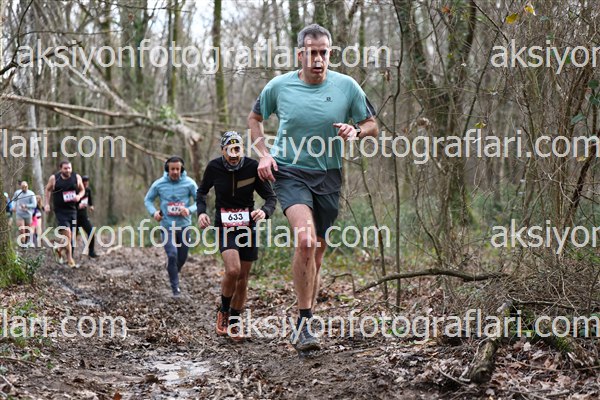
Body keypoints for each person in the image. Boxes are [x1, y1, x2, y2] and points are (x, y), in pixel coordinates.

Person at [247, 24, 379, 351]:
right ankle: (304, 323)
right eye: (311, 52)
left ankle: (307, 314)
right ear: (300, 54)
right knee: (305, 241)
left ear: (330, 54)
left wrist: (356, 132)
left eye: (323, 53)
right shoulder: (279, 86)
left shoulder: (347, 86)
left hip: (329, 176)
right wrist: (264, 154)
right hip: (290, 172)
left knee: (317, 254)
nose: (318, 59)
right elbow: (254, 118)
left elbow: (372, 125)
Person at [197, 131, 277, 341]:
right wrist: (202, 212)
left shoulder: (252, 167)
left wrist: (264, 212)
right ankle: (223, 311)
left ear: (242, 149)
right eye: (229, 150)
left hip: (247, 227)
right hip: (225, 226)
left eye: (237, 150)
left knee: (243, 279)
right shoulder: (214, 167)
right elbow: (201, 192)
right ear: (222, 150)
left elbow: (270, 197)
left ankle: (234, 321)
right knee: (233, 270)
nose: (234, 155)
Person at [144, 156, 198, 298]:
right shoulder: (159, 184)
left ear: (182, 169)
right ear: (167, 169)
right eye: (172, 169)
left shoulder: (189, 183)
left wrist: (189, 210)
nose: (175, 172)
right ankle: (175, 288)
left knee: (182, 257)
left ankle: (172, 269)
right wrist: (154, 212)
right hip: (167, 226)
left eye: (177, 169)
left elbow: (199, 200)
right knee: (172, 254)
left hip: (184, 226)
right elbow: (148, 200)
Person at [44, 161, 86, 268]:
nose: (68, 170)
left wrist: (79, 196)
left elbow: (82, 190)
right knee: (68, 234)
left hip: (72, 210)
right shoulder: (54, 178)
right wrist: (46, 204)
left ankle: (59, 248)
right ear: (60, 168)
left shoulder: (76, 177)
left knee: (71, 237)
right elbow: (47, 190)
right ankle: (70, 260)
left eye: (69, 168)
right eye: (65, 168)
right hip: (60, 211)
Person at [75, 176, 98, 258]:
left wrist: (91, 205)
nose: (85, 184)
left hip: (84, 217)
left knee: (91, 232)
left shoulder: (88, 190)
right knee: (73, 236)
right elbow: (71, 204)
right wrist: (78, 206)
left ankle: (91, 252)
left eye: (87, 183)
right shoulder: (76, 191)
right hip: (75, 217)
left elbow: (89, 199)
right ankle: (69, 254)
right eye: (84, 183)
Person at [12, 181, 37, 247]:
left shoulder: (31, 193)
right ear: (21, 187)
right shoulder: (17, 193)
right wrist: (13, 206)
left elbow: (34, 204)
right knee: (22, 229)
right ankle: (23, 244)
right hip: (19, 214)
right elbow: (13, 200)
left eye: (25, 187)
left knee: (26, 230)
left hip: (28, 214)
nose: (24, 188)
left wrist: (26, 206)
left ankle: (25, 242)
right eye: (23, 187)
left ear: (27, 186)